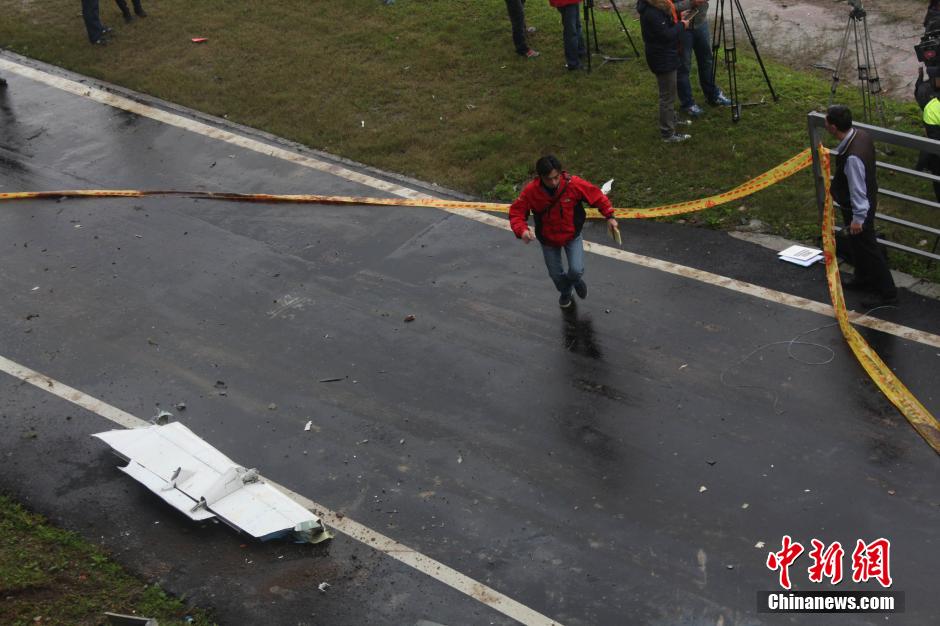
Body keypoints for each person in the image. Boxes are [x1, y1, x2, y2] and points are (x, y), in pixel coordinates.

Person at [510, 155, 618, 308]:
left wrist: (610, 216)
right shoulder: (531, 191)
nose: (553, 182)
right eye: (549, 179)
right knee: (555, 275)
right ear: (540, 177)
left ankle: (575, 281)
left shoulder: (574, 184)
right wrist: (522, 231)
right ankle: (566, 292)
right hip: (548, 240)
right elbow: (516, 213)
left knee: (576, 269)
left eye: (556, 177)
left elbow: (597, 196)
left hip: (572, 235)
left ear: (560, 173)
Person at [825, 105, 898, 308]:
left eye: (826, 121)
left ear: (833, 127)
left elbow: (857, 189)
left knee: (869, 249)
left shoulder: (852, 157)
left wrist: (858, 219)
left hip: (859, 209)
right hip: (865, 202)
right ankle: (863, 277)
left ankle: (887, 293)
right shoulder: (862, 136)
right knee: (859, 246)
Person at [637, 0, 692, 142]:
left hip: (665, 54)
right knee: (667, 96)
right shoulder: (652, 12)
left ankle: (671, 120)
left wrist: (679, 18)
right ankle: (667, 133)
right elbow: (666, 35)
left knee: (670, 93)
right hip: (662, 56)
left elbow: (666, 26)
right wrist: (682, 25)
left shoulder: (656, 7)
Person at [672, 0, 731, 117]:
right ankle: (687, 103)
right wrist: (691, 3)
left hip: (701, 23)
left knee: (707, 61)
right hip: (681, 27)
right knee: (683, 67)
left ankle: (712, 95)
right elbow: (665, 6)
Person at [549, 0, 585, 71]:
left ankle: (580, 51)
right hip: (566, 2)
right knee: (570, 31)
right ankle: (573, 63)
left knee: (577, 25)